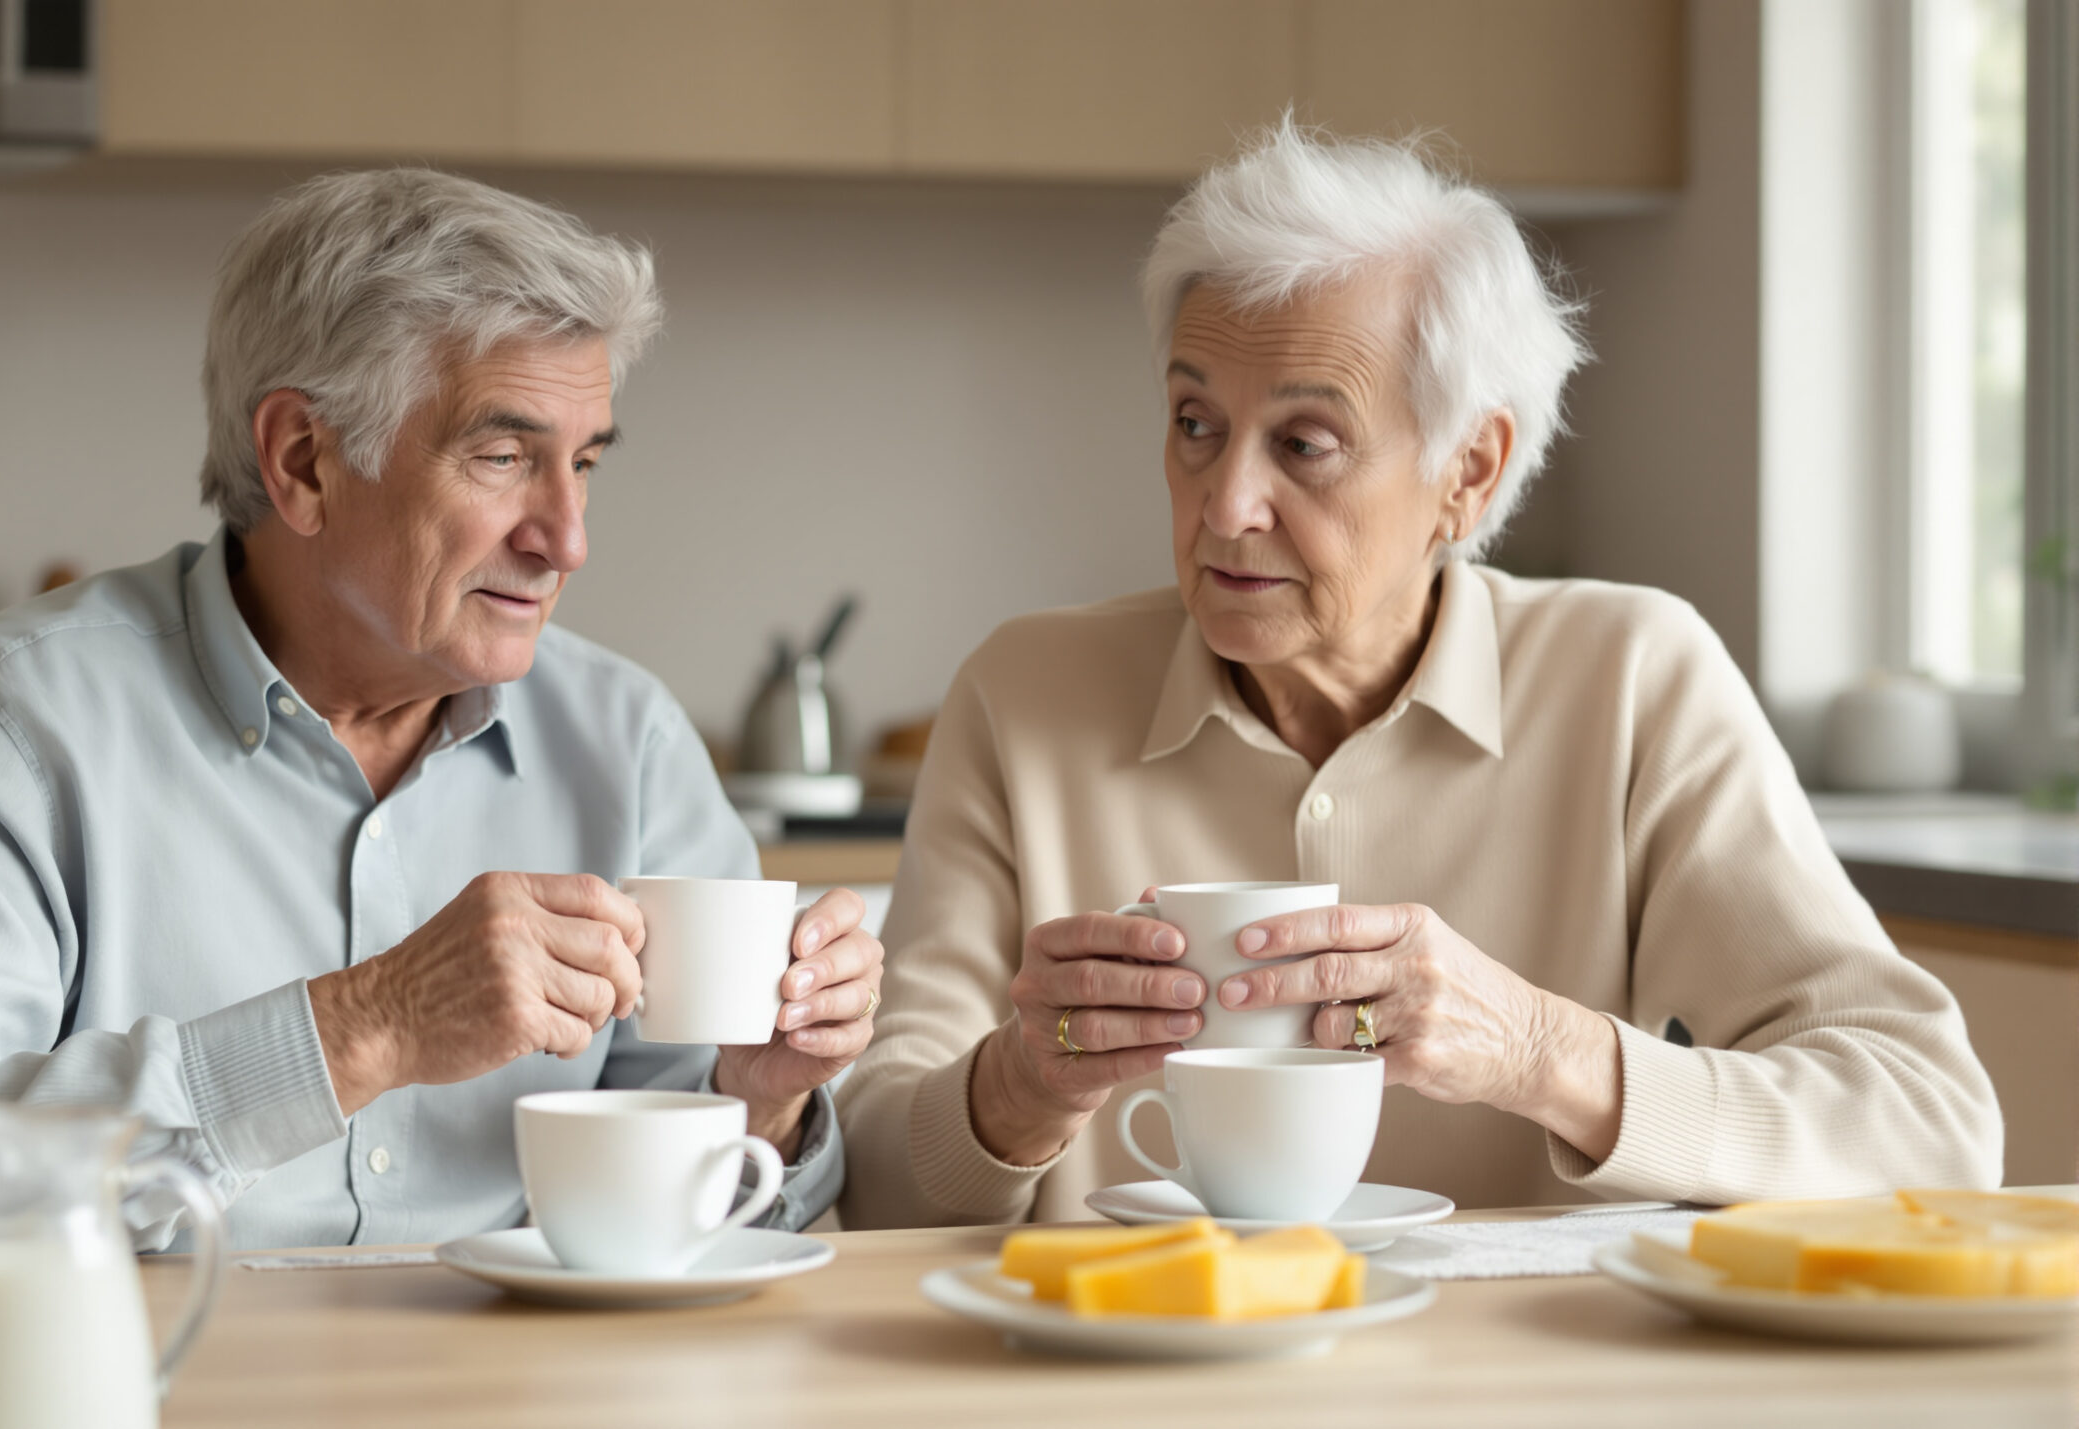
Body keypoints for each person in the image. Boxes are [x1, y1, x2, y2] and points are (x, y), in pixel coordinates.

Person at [835, 123, 1998, 1228]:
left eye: (1303, 443)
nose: (1226, 504)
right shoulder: (1021, 694)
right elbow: (872, 1186)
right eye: (1195, 422)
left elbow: (1933, 1125)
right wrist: (1019, 1086)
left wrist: (1543, 1050)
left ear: (1469, 472)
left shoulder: (1634, 677)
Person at [0, 170, 884, 1272]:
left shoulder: (626, 740)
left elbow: (697, 1236)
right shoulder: (13, 723)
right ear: (302, 461)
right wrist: (360, 1027)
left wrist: (762, 1101)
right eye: (502, 457)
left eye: (582, 464)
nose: (566, 538)